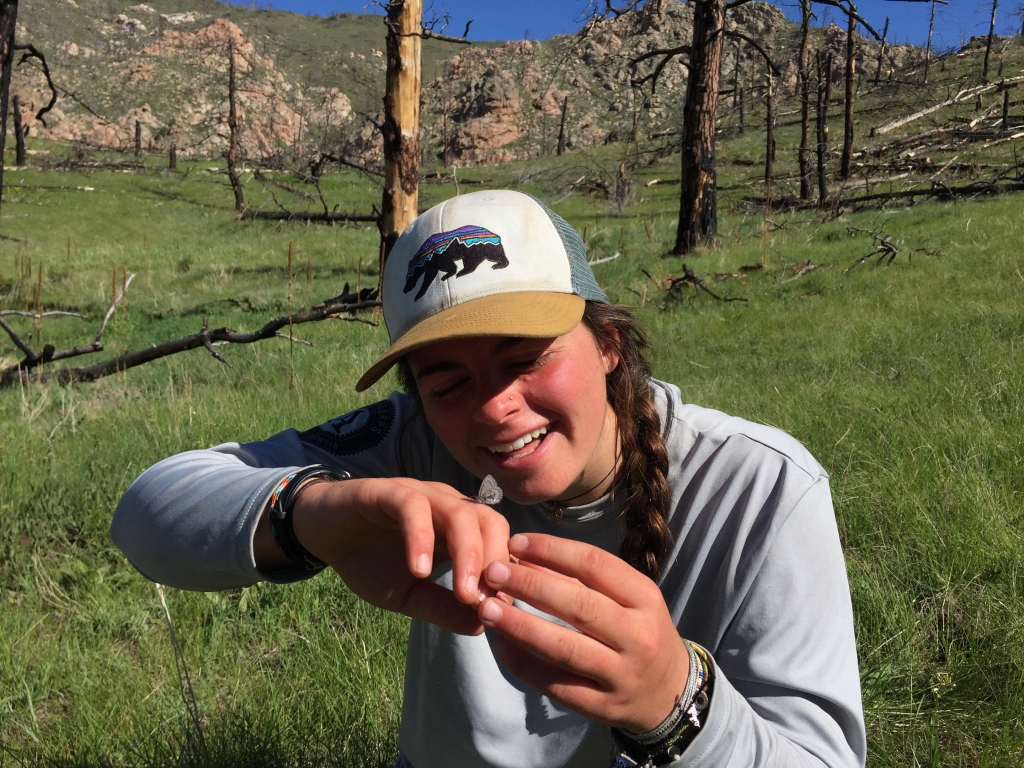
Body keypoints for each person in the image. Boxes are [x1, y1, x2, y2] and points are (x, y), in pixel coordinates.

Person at [111, 190, 865, 768]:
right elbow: (148, 513)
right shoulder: (415, 448)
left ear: (607, 343)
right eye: (448, 382)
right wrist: (316, 511)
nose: (496, 408)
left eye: (525, 358)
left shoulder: (762, 488)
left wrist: (678, 703)